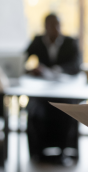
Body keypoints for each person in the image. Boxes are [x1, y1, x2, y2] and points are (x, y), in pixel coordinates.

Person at [25, 13, 81, 166]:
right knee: (34, 110)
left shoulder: (70, 42)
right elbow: (23, 60)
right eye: (51, 25)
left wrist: (57, 70)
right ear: (45, 27)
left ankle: (64, 151)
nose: (55, 29)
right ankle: (38, 152)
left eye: (57, 25)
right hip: (42, 92)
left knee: (66, 111)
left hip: (66, 91)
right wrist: (32, 70)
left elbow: (77, 65)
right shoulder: (37, 41)